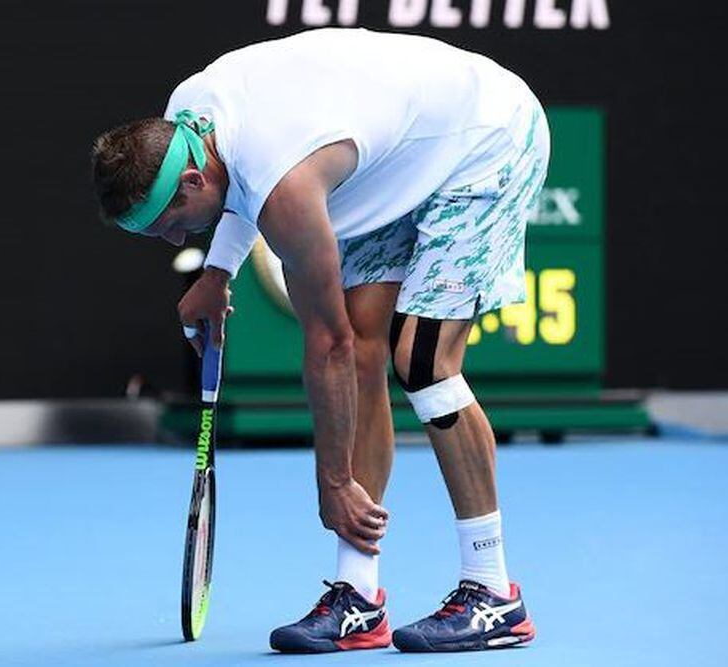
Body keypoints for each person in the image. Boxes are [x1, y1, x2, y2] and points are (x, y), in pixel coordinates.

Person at [90, 27, 549, 653]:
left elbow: (322, 342)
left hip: (485, 137)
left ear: (191, 179)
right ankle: (358, 598)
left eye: (172, 226)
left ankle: (494, 592)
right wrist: (215, 271)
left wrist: (332, 482)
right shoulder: (183, 123)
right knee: (367, 353)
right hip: (391, 156)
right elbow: (237, 186)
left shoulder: (287, 190)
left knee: (422, 362)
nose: (175, 241)